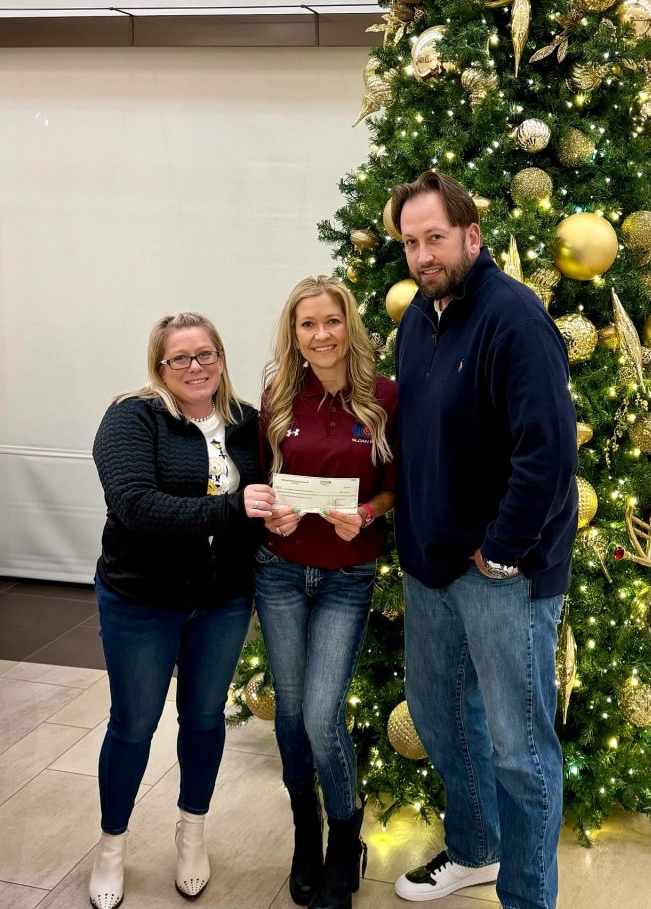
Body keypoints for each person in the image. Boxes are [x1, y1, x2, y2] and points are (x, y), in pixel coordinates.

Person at [389, 172, 578, 909]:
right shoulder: (419, 319)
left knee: (520, 753)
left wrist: (501, 547)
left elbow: (549, 454)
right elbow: (414, 435)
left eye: (436, 237)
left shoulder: (515, 320)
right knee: (439, 720)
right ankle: (476, 851)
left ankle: (528, 899)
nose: (423, 254)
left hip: (505, 574)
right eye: (411, 241)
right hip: (430, 566)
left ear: (471, 235)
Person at [90, 312, 274, 909]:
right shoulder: (131, 417)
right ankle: (111, 845)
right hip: (141, 599)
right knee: (134, 724)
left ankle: (192, 832)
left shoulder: (247, 422)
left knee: (202, 720)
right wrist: (234, 509)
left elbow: (275, 489)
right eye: (181, 359)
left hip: (220, 601)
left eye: (206, 355)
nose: (196, 368)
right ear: (160, 366)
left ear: (221, 358)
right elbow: (137, 505)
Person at [246, 275, 397, 909]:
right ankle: (305, 835)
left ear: (349, 325)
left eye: (331, 321)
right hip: (280, 571)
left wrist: (364, 514)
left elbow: (395, 488)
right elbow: (264, 483)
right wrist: (271, 514)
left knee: (320, 712)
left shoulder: (384, 398)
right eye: (307, 324)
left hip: (347, 575)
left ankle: (344, 832)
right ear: (294, 334)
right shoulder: (279, 396)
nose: (321, 335)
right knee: (288, 712)